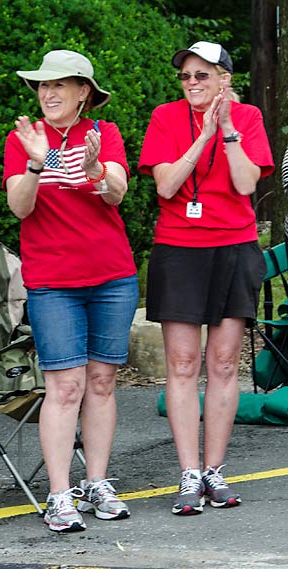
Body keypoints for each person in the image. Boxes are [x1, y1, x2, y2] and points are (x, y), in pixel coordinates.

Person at [4, 50, 137, 532]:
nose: (49, 93)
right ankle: (60, 495)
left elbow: (117, 192)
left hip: (112, 276)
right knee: (65, 387)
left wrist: (97, 167)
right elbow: (19, 207)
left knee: (101, 383)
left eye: (61, 84)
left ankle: (96, 483)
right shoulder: (23, 140)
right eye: (43, 85)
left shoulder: (105, 134)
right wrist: (38, 164)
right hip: (53, 282)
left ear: (84, 92)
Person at [138, 41, 273, 515]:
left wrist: (229, 129)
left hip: (234, 247)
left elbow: (244, 184)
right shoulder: (166, 117)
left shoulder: (250, 118)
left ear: (223, 80)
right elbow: (167, 185)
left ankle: (215, 470)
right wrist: (202, 135)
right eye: (186, 77)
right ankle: (188, 473)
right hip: (180, 248)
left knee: (222, 363)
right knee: (181, 363)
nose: (192, 84)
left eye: (202, 75)